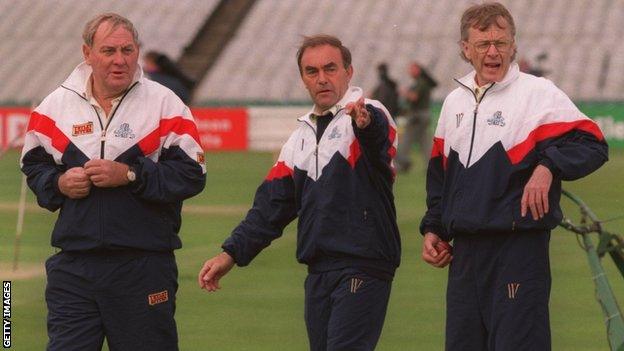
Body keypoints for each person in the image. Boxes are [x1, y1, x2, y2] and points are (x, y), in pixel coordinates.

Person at [420, 2, 608, 350]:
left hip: (518, 251)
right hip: (464, 258)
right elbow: (439, 177)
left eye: (501, 43)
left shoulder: (538, 93)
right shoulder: (453, 103)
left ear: (514, 45)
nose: (493, 52)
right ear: (465, 49)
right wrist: (434, 227)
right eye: (483, 44)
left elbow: (593, 143)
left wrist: (547, 166)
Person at [198, 34, 400, 351]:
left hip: (363, 263)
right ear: (303, 79)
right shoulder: (299, 138)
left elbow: (378, 142)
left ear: (349, 72)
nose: (322, 78)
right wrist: (231, 254)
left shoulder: (369, 112)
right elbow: (271, 207)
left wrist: (364, 123)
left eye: (330, 68)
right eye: (312, 71)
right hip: (318, 269)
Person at [20, 13, 206, 351]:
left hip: (143, 265)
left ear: (138, 52)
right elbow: (34, 167)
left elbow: (193, 174)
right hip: (74, 265)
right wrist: (59, 184)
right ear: (87, 53)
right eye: (108, 51)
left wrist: (131, 175)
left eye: (128, 50)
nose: (120, 60)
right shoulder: (54, 106)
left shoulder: (165, 104)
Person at [395, 61, 438, 172]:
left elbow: (414, 97)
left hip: (417, 115)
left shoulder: (421, 82)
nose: (409, 72)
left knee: (406, 140)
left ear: (418, 70)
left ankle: (401, 163)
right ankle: (432, 165)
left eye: (412, 69)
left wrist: (404, 92)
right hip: (424, 115)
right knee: (425, 141)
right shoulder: (423, 82)